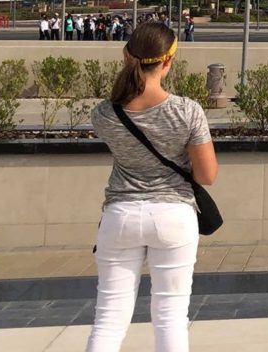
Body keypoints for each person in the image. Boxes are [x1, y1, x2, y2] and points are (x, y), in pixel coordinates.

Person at [86, 22, 217, 352]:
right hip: (173, 215)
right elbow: (207, 175)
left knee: (109, 319)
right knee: (171, 317)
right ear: (169, 61)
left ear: (127, 55)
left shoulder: (104, 113)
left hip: (120, 215)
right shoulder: (187, 111)